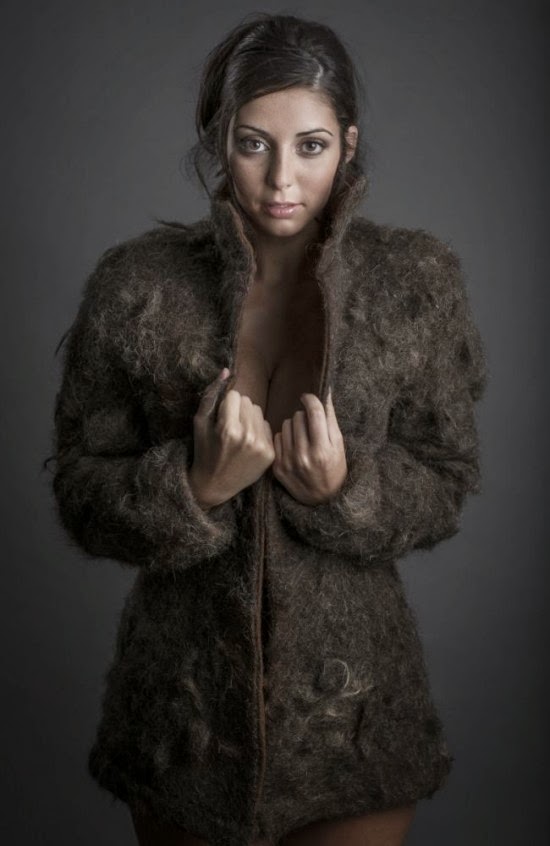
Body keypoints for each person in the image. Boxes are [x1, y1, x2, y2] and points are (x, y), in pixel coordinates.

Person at [50, 12, 488, 846]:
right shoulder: (138, 286)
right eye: (254, 144)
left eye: (311, 146)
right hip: (183, 723)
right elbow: (80, 488)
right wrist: (193, 487)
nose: (282, 178)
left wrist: (348, 491)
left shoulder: (414, 283)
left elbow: (446, 475)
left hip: (354, 716)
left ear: (347, 145)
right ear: (219, 141)